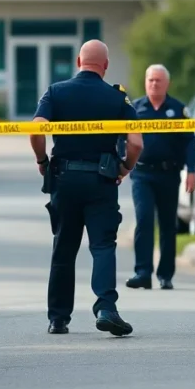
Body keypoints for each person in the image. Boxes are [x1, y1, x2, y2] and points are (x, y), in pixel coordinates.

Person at [29, 39, 143, 337]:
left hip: (64, 180)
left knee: (64, 248)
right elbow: (136, 142)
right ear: (104, 67)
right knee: (103, 246)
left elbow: (37, 128)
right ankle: (106, 307)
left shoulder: (56, 91)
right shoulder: (117, 98)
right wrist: (125, 167)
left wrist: (42, 160)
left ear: (79, 62)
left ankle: (58, 319)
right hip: (101, 181)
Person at [126, 64, 195, 291]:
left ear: (167, 83)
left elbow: (189, 143)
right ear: (146, 82)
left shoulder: (178, 110)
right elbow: (122, 138)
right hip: (142, 173)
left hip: (169, 173)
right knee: (144, 220)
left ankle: (165, 275)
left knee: (168, 224)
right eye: (150, 80)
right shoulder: (135, 109)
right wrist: (122, 164)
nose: (154, 84)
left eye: (158, 80)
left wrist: (192, 171)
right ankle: (143, 272)